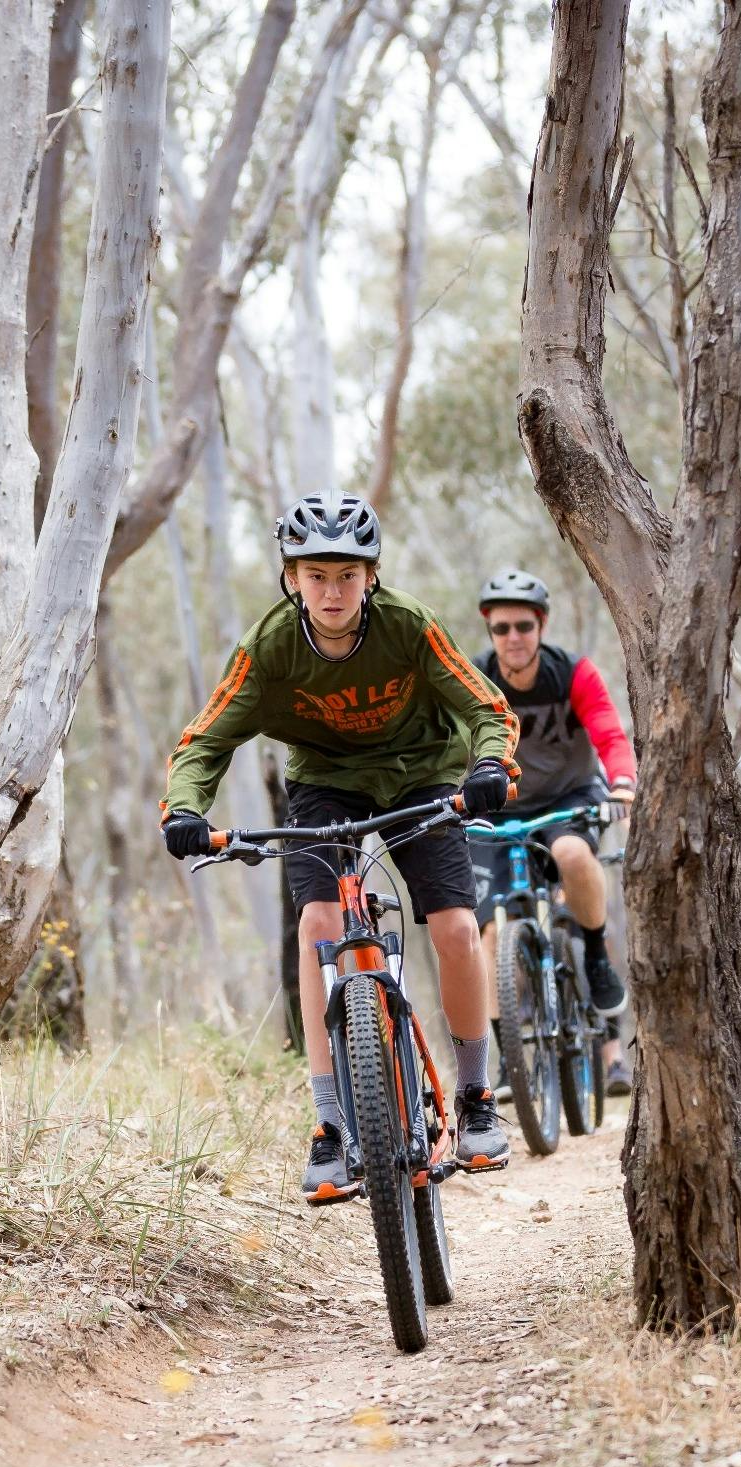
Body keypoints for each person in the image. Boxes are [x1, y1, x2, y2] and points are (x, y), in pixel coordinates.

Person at [159, 491, 522, 1202]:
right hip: (326, 786)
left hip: (425, 776)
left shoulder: (408, 627)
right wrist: (185, 809)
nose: (332, 590)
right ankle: (330, 1127)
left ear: (372, 576)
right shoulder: (268, 650)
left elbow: (488, 707)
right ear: (291, 576)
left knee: (453, 926)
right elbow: (204, 740)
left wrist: (488, 766)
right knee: (319, 925)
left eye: (347, 575)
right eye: (316, 574)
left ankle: (477, 1097)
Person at [471, 569, 638, 1096]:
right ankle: (507, 1061)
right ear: (490, 630)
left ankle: (591, 950)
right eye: (502, 628)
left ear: (540, 626)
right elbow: (446, 744)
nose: (513, 637)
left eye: (524, 625)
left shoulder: (573, 674)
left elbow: (609, 733)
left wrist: (624, 784)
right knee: (492, 933)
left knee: (570, 851)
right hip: (498, 809)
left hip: (569, 798)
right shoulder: (474, 681)